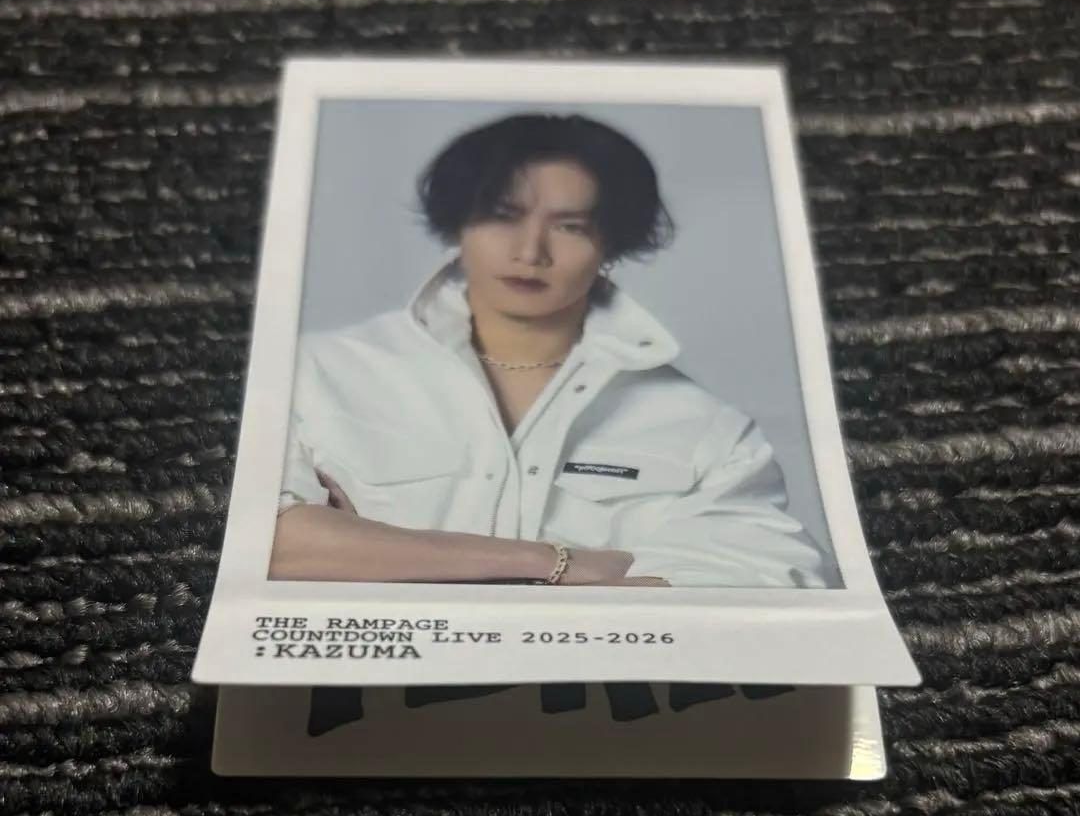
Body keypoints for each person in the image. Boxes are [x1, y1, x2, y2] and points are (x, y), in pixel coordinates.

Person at [269, 112, 827, 589]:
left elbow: (764, 583)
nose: (530, 251)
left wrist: (370, 549)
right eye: (502, 216)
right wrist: (559, 564)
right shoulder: (314, 371)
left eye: (571, 227)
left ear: (612, 244)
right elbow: (263, 544)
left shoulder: (706, 428)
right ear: (458, 225)